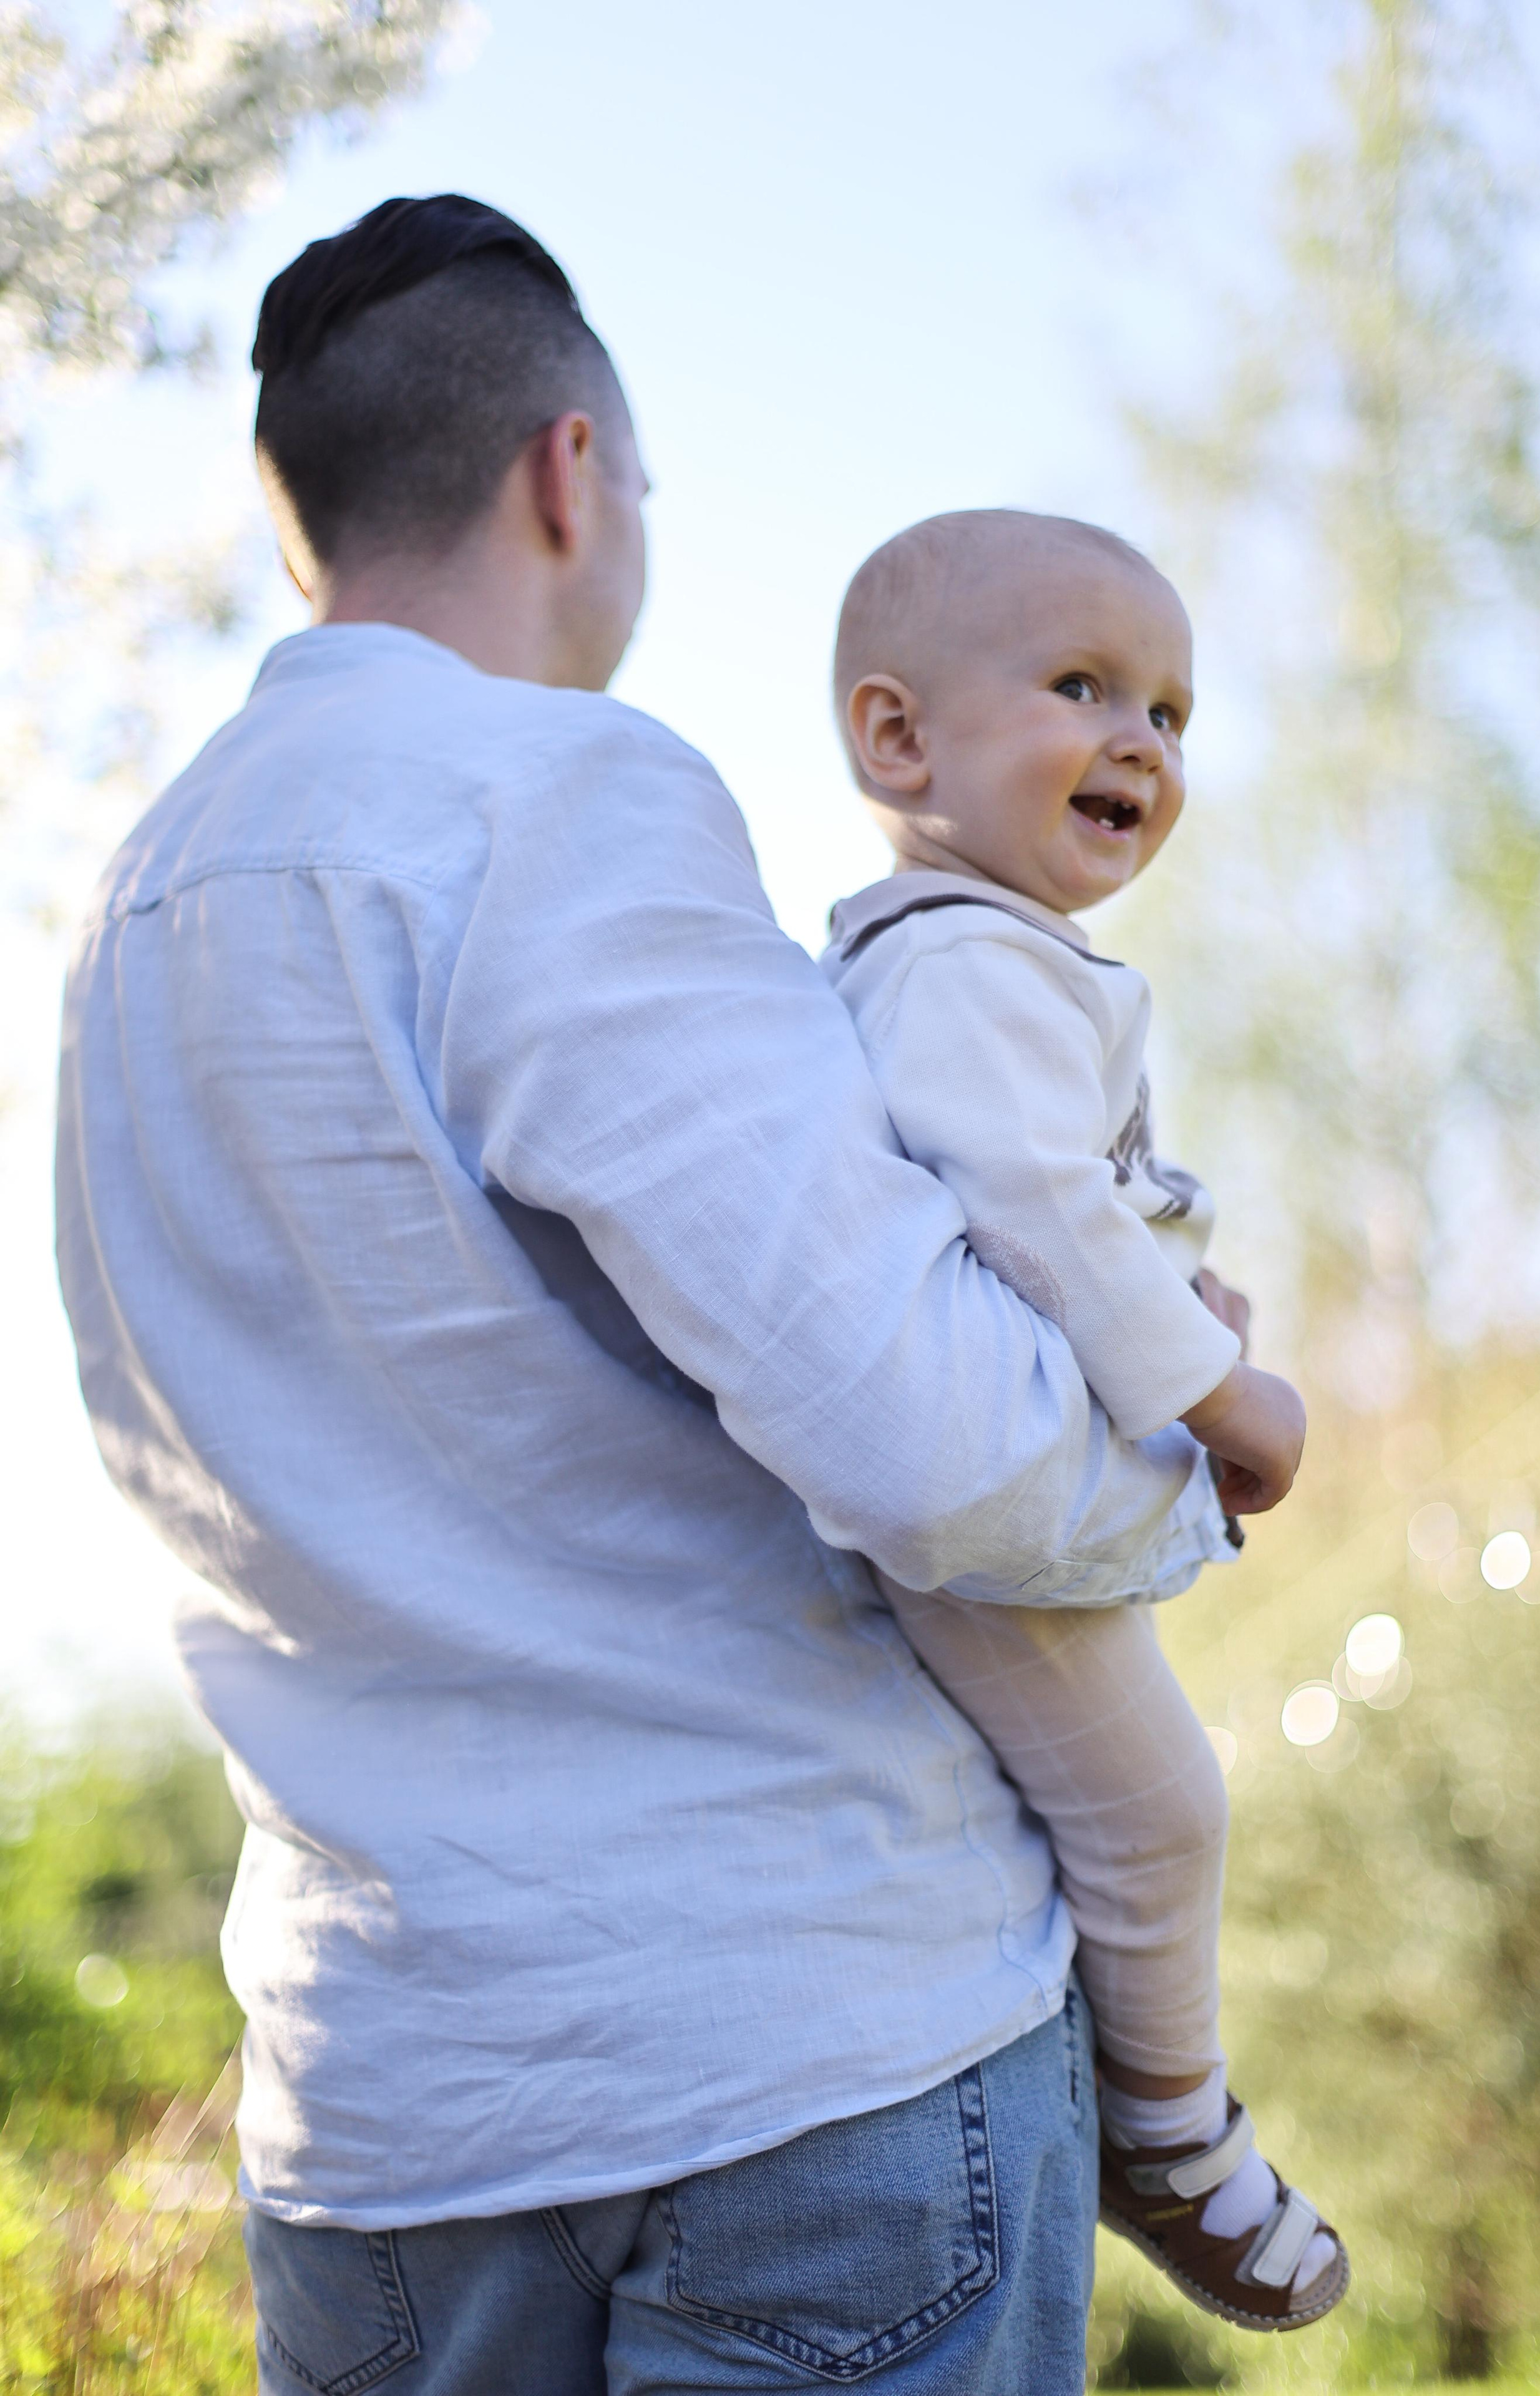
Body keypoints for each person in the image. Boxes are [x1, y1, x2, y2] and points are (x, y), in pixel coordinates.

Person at [56, 195, 1251, 2394]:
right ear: (569, 473)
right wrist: (1203, 1442)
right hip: (794, 2054)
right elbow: (938, 1444)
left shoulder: (126, 932)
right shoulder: (557, 795)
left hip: (384, 2129)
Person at [821, 509, 1350, 2331]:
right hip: (984, 1520)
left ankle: (1146, 2105)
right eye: (1081, 688)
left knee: (1122, 1806)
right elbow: (1036, 1206)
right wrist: (1230, 1395)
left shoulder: (992, 959)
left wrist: (1173, 1295)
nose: (1143, 741)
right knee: (1163, 1813)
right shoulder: (967, 961)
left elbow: (1046, 1213)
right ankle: (1170, 2133)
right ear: (901, 742)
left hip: (1000, 1481)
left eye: (1172, 712)